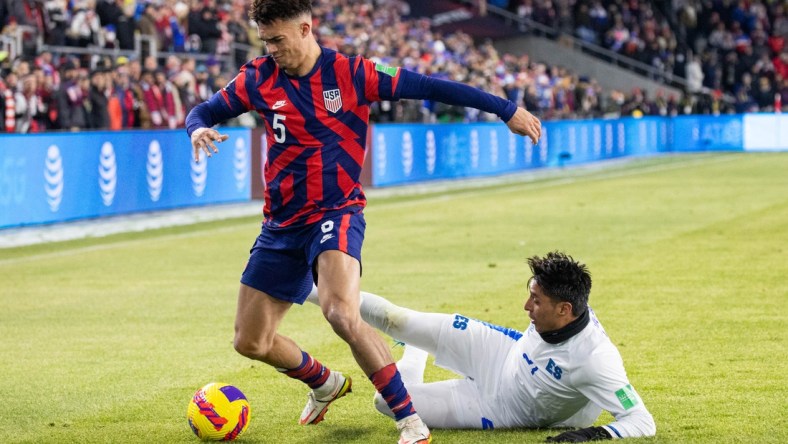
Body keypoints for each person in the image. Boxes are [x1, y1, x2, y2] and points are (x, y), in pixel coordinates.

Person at [184, 1, 541, 443]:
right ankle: (324, 383)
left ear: (305, 29)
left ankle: (410, 421)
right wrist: (196, 128)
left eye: (278, 39)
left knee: (339, 310)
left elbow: (431, 86)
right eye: (265, 40)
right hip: (280, 226)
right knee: (250, 342)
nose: (271, 48)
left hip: (337, 212)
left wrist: (506, 109)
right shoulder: (256, 78)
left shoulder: (354, 73)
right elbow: (203, 110)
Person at [304, 252, 656, 442]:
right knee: (398, 319)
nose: (525, 306)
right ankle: (298, 288)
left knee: (386, 402)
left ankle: (414, 352)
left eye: (536, 300)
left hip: (499, 407)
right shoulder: (563, 309)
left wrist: (591, 434)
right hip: (501, 351)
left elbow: (641, 420)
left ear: (564, 310)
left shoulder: (595, 359)